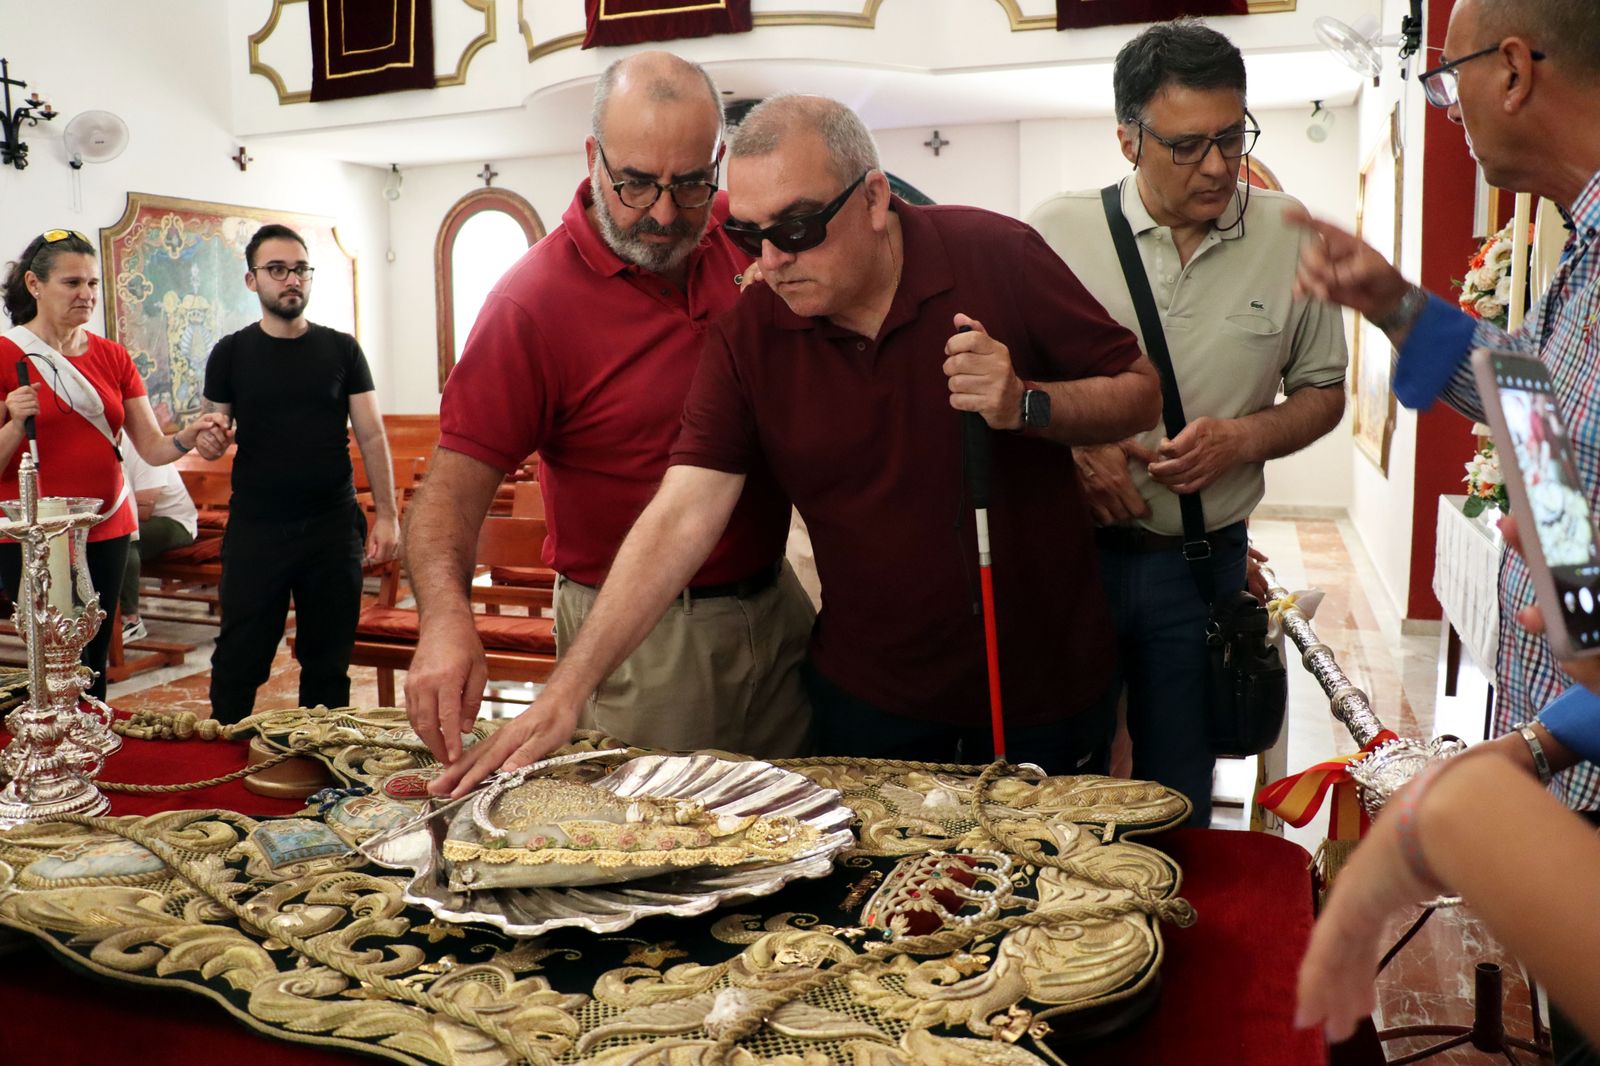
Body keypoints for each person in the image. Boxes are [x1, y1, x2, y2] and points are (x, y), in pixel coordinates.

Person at [431, 93, 1162, 797]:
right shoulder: (751, 330)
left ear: (873, 199)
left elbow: (1139, 392)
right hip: (869, 702)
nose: (771, 260)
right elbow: (685, 510)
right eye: (750, 236)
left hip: (1038, 688)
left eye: (799, 229)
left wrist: (1029, 405)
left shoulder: (997, 253)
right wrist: (566, 691)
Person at [403, 52, 815, 765]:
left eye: (691, 183)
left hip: (778, 606)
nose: (664, 213)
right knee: (662, 827)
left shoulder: (743, 232)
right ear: (593, 158)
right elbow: (449, 495)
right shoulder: (529, 305)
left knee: (805, 811)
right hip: (644, 643)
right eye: (636, 183)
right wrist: (444, 619)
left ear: (717, 161)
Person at [1028, 19, 1347, 825]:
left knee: (1178, 803)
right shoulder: (1056, 231)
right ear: (1128, 140)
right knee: (1056, 790)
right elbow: (1005, 387)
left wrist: (1243, 439)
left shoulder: (1288, 233)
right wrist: (1077, 450)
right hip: (1069, 561)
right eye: (1187, 145)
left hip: (1201, 572)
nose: (1217, 165)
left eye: (1232, 137)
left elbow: (1323, 391)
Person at [1289, 0, 1600, 817]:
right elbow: (1538, 413)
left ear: (1513, 71)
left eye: (1447, 80)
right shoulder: (1583, 248)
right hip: (1558, 761)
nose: (1449, 110)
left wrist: (1547, 740)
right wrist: (1395, 304)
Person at [0, 230, 227, 700]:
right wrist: (16, 423)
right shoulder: (5, 354)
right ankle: (51, 739)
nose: (85, 294)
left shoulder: (112, 355)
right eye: (71, 283)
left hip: (107, 523)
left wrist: (190, 435)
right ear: (35, 285)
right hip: (34, 529)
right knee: (50, 655)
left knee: (94, 655)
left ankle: (92, 739)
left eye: (92, 283)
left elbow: (153, 448)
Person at [201, 223, 399, 724]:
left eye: (301, 269)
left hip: (331, 526)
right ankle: (222, 755)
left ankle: (321, 760)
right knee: (240, 658)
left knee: (328, 662)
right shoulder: (231, 352)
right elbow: (211, 429)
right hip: (257, 528)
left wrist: (389, 516)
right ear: (252, 280)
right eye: (277, 269)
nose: (292, 280)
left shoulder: (342, 349)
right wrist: (210, 438)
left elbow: (372, 435)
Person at [117, 443, 198, 642]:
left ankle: (130, 619)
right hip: (133, 518)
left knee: (123, 536)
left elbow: (144, 510)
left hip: (174, 521)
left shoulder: (139, 446)